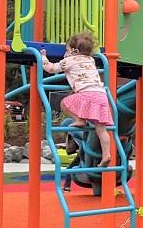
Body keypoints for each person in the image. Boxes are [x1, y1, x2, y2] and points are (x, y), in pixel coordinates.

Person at [41, 32, 115, 167]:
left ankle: (79, 120)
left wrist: (43, 57)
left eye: (67, 50)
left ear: (74, 51)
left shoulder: (70, 60)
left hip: (86, 94)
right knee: (101, 129)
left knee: (64, 103)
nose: (65, 53)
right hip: (101, 95)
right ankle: (106, 155)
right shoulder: (90, 60)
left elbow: (50, 68)